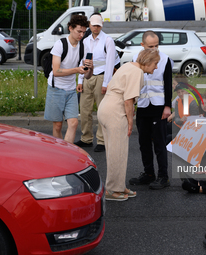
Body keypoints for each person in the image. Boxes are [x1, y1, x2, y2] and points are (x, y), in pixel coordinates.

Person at [98, 48, 160, 201]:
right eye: (155, 63)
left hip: (105, 107)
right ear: (147, 62)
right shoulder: (137, 72)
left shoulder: (128, 66)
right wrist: (130, 122)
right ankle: (112, 190)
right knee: (117, 152)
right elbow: (128, 101)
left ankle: (118, 186)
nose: (156, 67)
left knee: (114, 151)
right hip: (115, 111)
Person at [129, 30, 173, 190]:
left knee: (159, 144)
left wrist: (167, 106)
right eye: (150, 46)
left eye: (156, 46)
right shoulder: (135, 59)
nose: (154, 49)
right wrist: (132, 105)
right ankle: (148, 174)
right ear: (142, 45)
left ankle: (163, 177)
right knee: (143, 143)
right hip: (142, 106)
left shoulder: (165, 59)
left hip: (158, 106)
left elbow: (168, 83)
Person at [75, 13, 121, 152]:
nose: (96, 28)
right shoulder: (85, 40)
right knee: (84, 110)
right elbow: (82, 60)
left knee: (102, 111)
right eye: (93, 25)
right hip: (88, 76)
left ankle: (101, 140)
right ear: (89, 25)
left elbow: (110, 64)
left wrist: (106, 83)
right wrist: (80, 80)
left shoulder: (108, 40)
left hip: (101, 76)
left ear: (101, 25)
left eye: (98, 25)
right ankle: (86, 138)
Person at [44, 15, 90, 144]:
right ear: (70, 28)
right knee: (58, 125)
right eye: (79, 31)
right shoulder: (60, 44)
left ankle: (67, 152)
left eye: (84, 32)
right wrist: (77, 70)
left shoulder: (83, 47)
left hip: (70, 90)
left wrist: (89, 69)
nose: (81, 35)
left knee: (74, 123)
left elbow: (87, 76)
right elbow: (56, 71)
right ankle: (58, 153)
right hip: (56, 88)